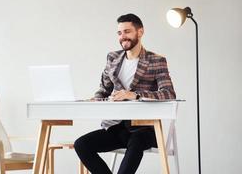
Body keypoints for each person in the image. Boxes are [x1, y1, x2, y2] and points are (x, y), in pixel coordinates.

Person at [74, 13, 176, 174]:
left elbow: (169, 93)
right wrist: (96, 99)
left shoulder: (156, 60)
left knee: (136, 143)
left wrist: (135, 95)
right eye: (119, 33)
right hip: (116, 127)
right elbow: (104, 89)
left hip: (144, 130)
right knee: (81, 144)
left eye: (127, 31)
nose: (123, 37)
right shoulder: (112, 58)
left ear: (140, 32)